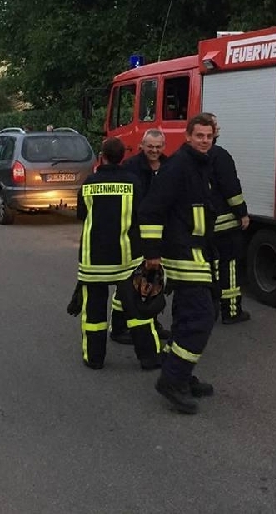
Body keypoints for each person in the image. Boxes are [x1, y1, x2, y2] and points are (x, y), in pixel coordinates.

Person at [139, 114, 217, 414]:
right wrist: (152, 253)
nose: (204, 140)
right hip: (183, 253)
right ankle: (172, 380)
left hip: (197, 251)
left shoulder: (199, 164)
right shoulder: (179, 167)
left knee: (188, 318)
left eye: (209, 136)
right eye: (199, 135)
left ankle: (179, 373)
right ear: (188, 136)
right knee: (200, 318)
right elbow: (150, 210)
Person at [73, 137, 158, 370]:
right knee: (138, 310)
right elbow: (142, 216)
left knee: (94, 313)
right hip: (125, 260)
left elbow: (81, 215)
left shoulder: (89, 183)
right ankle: (149, 358)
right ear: (122, 157)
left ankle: (94, 358)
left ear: (102, 157)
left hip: (93, 261)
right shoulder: (133, 182)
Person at [110, 128, 171, 345]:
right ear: (142, 146)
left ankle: (152, 323)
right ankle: (119, 327)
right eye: (150, 146)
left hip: (160, 232)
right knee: (129, 282)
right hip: (135, 232)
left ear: (164, 147)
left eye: (158, 147)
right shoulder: (131, 167)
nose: (154, 151)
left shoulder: (168, 166)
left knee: (153, 282)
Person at [201, 113, 251, 324]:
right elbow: (231, 189)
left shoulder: (190, 157)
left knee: (209, 268)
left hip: (203, 224)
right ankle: (231, 311)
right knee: (229, 266)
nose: (218, 128)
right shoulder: (220, 156)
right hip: (224, 222)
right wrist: (242, 213)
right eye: (216, 125)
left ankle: (208, 309)